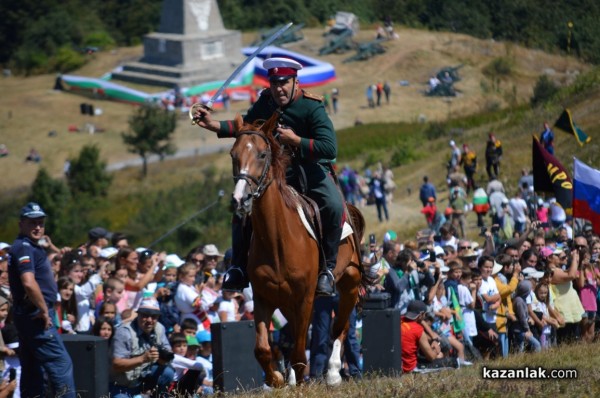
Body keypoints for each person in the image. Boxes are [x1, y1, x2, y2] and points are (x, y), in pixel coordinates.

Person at [193, 57, 344, 296]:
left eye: (284, 83)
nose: (279, 89)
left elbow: (330, 148)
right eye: (274, 83)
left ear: (295, 82)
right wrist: (213, 125)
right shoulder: (265, 101)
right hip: (274, 173)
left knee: (334, 206)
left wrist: (297, 141)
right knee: (242, 208)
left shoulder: (312, 106)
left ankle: (328, 269)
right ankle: (239, 267)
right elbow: (248, 128)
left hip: (309, 170)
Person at [8, 202, 76, 397]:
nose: (37, 227)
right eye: (32, 222)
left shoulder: (28, 246)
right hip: (37, 315)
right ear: (21, 224)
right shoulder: (24, 247)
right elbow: (28, 282)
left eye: (40, 223)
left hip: (29, 314)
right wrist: (44, 310)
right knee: (61, 363)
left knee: (32, 368)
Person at [110, 297, 175, 397]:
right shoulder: (124, 333)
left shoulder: (160, 328)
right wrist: (143, 358)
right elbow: (116, 365)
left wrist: (162, 358)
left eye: (154, 317)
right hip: (121, 385)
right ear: (138, 314)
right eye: (145, 315)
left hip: (143, 381)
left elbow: (168, 353)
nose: (149, 320)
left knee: (167, 373)